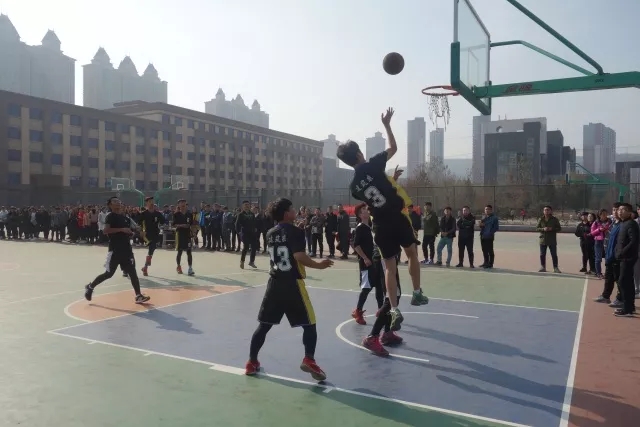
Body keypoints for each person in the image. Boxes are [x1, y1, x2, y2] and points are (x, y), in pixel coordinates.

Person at [336, 107, 429, 331]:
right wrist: (387, 125)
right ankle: (417, 292)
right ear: (359, 154)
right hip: (397, 217)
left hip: (380, 224)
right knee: (412, 253)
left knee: (389, 267)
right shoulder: (373, 164)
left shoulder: (353, 187)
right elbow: (393, 148)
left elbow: (373, 190)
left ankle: (394, 309)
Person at [245, 198, 333, 381]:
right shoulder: (296, 232)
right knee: (310, 324)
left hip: (274, 284)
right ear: (286, 213)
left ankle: (251, 362)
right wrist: (319, 265)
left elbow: (284, 239)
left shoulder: (270, 232)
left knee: (264, 326)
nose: (296, 211)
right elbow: (299, 256)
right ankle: (309, 359)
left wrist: (295, 230)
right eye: (292, 209)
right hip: (293, 284)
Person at [84, 197, 150, 304]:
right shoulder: (110, 216)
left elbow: (130, 233)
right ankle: (90, 287)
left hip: (127, 250)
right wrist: (122, 229)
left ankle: (138, 295)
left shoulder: (126, 218)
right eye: (115, 201)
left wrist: (136, 233)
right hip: (115, 250)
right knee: (108, 274)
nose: (118, 203)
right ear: (110, 205)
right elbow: (105, 231)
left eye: (119, 201)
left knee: (132, 273)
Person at [351, 204, 384, 325]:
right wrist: (365, 258)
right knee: (366, 288)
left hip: (376, 262)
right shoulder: (360, 228)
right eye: (364, 210)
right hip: (366, 263)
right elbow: (356, 245)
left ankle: (382, 311)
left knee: (380, 288)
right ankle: (358, 312)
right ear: (360, 214)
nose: (367, 210)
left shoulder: (370, 227)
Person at [613, 203, 638, 317]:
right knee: (627, 281)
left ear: (629, 212)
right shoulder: (623, 223)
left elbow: (633, 241)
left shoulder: (631, 224)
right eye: (619, 210)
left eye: (623, 210)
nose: (620, 211)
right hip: (623, 257)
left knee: (623, 281)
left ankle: (627, 308)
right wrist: (617, 251)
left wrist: (622, 252)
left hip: (628, 257)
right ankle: (629, 307)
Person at [139, 197, 165, 276]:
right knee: (151, 247)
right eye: (149, 202)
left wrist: (163, 223)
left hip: (155, 234)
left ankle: (145, 266)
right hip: (146, 234)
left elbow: (163, 221)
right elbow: (139, 224)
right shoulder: (143, 214)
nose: (151, 203)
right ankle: (146, 267)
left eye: (152, 201)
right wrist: (141, 231)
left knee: (152, 249)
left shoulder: (158, 213)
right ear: (146, 203)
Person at [173, 199, 195, 276]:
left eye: (184, 203)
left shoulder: (189, 214)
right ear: (178, 205)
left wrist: (193, 233)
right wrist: (182, 225)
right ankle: (178, 266)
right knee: (180, 252)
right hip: (179, 235)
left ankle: (190, 268)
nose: (183, 204)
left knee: (189, 252)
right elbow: (174, 225)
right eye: (181, 203)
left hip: (187, 235)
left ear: (186, 205)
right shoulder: (176, 214)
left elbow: (191, 224)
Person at [235, 200, 258, 269]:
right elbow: (237, 224)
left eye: (248, 204)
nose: (247, 206)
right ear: (243, 206)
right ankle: (242, 261)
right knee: (246, 247)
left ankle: (251, 262)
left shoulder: (252, 214)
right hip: (245, 233)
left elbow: (254, 222)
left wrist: (255, 228)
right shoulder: (240, 214)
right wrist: (239, 232)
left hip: (252, 233)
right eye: (245, 205)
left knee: (254, 247)